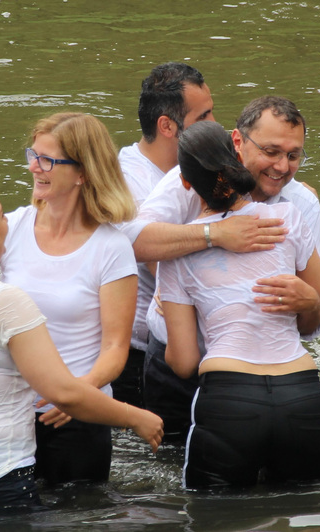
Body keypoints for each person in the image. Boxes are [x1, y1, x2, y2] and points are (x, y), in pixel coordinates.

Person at [0, 178, 162, 520]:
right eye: (2, 216)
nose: (10, 223)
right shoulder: (7, 302)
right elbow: (62, 393)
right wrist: (136, 417)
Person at [122, 95, 320, 444]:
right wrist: (214, 235)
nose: (282, 167)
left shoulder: (300, 202)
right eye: (271, 152)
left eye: (293, 155)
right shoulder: (193, 176)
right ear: (238, 141)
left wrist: (310, 301)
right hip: (178, 365)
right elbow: (131, 241)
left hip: (263, 372)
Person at [160, 121, 320, 488]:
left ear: (186, 183)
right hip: (304, 395)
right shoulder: (287, 218)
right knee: (307, 512)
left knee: (213, 518)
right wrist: (312, 304)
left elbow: (183, 363)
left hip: (229, 400)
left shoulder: (177, 254)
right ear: (237, 159)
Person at [0, 112, 138, 485]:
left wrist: (75, 395)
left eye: (47, 160)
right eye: (33, 155)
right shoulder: (11, 227)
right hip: (10, 417)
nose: (34, 167)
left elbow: (114, 349)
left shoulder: (112, 248)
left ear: (83, 172)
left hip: (78, 420)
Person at [113, 62, 215, 408]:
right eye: (204, 118)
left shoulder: (198, 165)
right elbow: (162, 268)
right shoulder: (129, 184)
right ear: (167, 126)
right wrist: (219, 234)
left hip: (188, 342)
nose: (214, 126)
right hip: (142, 356)